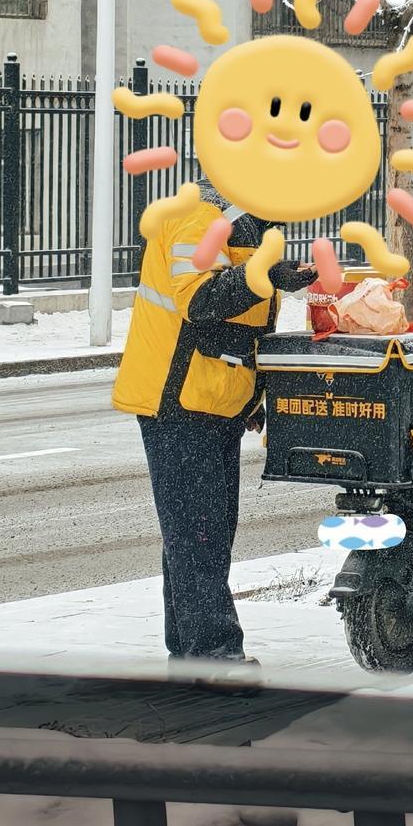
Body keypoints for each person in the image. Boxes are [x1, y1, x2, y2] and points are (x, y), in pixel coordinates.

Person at [113, 177, 314, 661]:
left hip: (211, 401)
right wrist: (264, 274)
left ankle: (189, 650)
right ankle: (215, 655)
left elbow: (243, 328)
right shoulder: (195, 214)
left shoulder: (247, 226)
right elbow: (201, 300)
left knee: (201, 534)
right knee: (199, 534)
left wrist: (251, 397)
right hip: (176, 401)